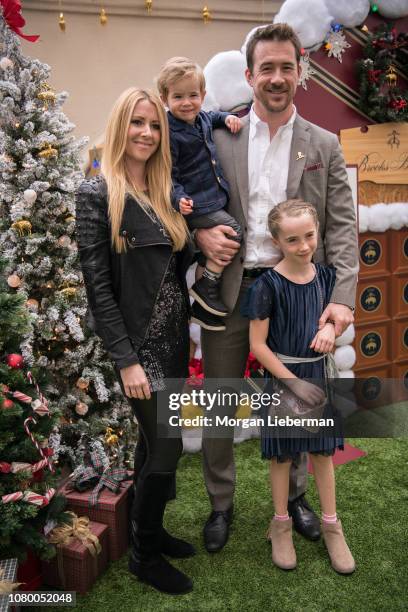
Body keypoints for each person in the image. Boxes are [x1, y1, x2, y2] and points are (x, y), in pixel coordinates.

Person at [195, 23, 359, 553]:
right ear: (249, 75)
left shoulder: (324, 144)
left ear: (300, 73)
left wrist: (340, 299)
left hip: (295, 293)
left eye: (287, 66)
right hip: (231, 288)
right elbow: (190, 199)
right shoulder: (219, 135)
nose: (277, 77)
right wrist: (200, 232)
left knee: (297, 397)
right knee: (221, 399)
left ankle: (295, 501)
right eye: (266, 67)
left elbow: (341, 227)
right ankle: (222, 503)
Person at [75, 88, 195, 595]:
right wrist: (125, 361)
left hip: (173, 339)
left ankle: (154, 531)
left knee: (154, 447)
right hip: (138, 347)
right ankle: (143, 556)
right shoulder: (97, 192)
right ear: (120, 125)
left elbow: (173, 268)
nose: (146, 133)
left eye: (153, 125)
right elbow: (98, 288)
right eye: (137, 123)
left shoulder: (164, 189)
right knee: (167, 448)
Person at [245, 199, 355, 574]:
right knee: (283, 455)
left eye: (309, 236)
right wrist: (293, 386)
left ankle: (331, 526)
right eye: (292, 240)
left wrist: (329, 327)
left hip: (318, 378)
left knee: (323, 455)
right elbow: (258, 346)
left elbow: (336, 317)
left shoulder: (327, 278)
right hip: (284, 381)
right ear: (277, 241)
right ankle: (280, 525)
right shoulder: (266, 286)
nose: (304, 245)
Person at [157, 56, 243, 330]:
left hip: (212, 198)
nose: (187, 103)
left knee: (221, 242)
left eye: (193, 95)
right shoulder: (170, 133)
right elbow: (167, 174)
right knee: (233, 231)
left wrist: (227, 117)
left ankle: (203, 306)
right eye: (178, 96)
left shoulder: (202, 118)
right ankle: (207, 285)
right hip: (196, 205)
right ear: (165, 99)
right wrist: (177, 198)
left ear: (203, 95)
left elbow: (213, 116)